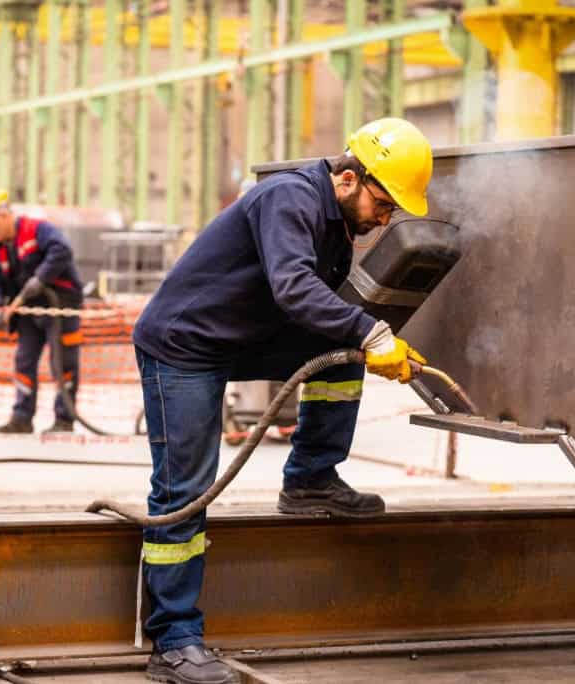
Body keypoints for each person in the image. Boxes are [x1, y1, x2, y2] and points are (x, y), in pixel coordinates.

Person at [132, 118, 432, 684]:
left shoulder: (336, 219)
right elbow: (294, 288)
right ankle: (173, 643)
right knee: (184, 492)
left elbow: (319, 309)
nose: (384, 219)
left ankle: (311, 479)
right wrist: (371, 333)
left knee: (342, 352)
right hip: (184, 346)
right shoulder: (289, 198)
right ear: (349, 177)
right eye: (383, 204)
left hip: (236, 338)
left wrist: (367, 338)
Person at [0, 188, 84, 434]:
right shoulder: (0, 248)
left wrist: (41, 279)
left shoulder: (37, 229)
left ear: (2, 215)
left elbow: (62, 250)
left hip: (61, 307)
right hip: (29, 309)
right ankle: (22, 418)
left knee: (63, 362)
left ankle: (64, 419)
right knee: (24, 360)